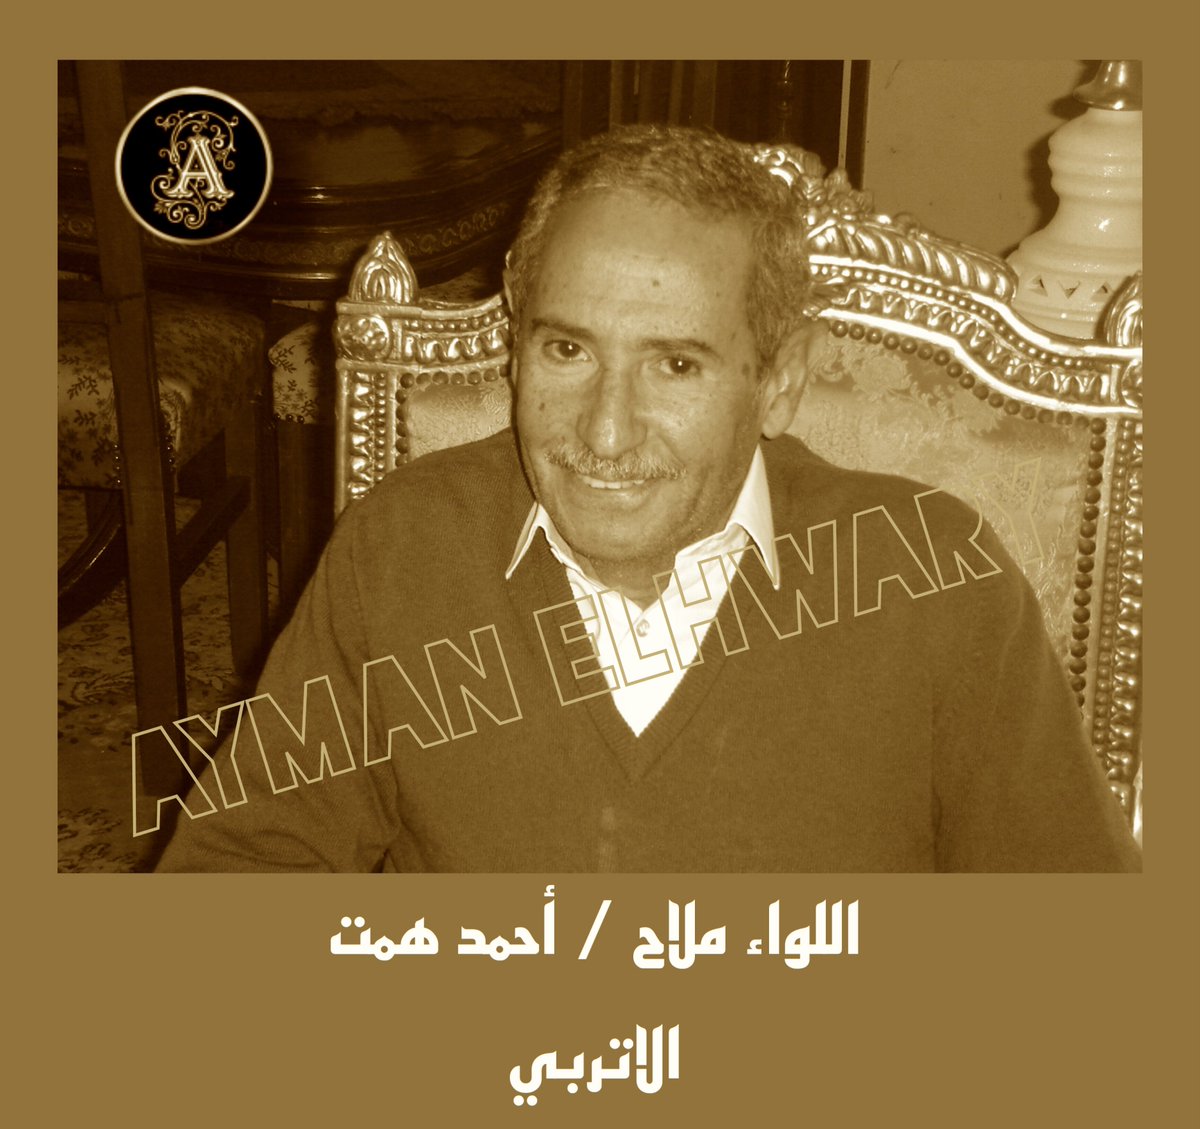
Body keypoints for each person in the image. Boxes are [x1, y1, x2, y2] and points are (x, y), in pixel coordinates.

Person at [157, 125, 1140, 873]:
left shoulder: (937, 582)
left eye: (675, 364)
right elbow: (242, 865)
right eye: (568, 349)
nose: (605, 433)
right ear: (517, 345)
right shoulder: (406, 546)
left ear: (779, 380)